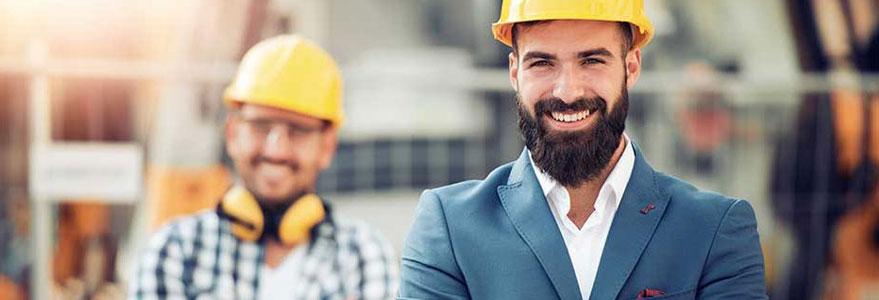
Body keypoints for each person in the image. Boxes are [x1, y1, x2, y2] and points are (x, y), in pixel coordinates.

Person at [398, 1, 767, 299]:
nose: (568, 92)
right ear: (515, 72)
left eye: (592, 60)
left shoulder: (714, 230)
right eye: (542, 62)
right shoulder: (449, 228)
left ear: (631, 66)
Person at [130, 35, 397, 299]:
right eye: (261, 126)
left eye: (298, 131)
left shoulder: (364, 255)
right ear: (233, 133)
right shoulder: (174, 250)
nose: (276, 150)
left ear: (327, 147)